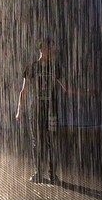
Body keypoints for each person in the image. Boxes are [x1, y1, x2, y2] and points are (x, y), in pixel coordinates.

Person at [16, 37, 90, 184]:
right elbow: (23, 91)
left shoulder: (55, 67)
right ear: (41, 49)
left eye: (53, 49)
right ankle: (38, 173)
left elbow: (66, 88)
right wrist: (19, 109)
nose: (52, 51)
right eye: (49, 48)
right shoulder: (31, 67)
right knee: (37, 141)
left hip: (52, 110)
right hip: (36, 109)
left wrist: (85, 92)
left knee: (52, 141)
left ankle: (52, 174)